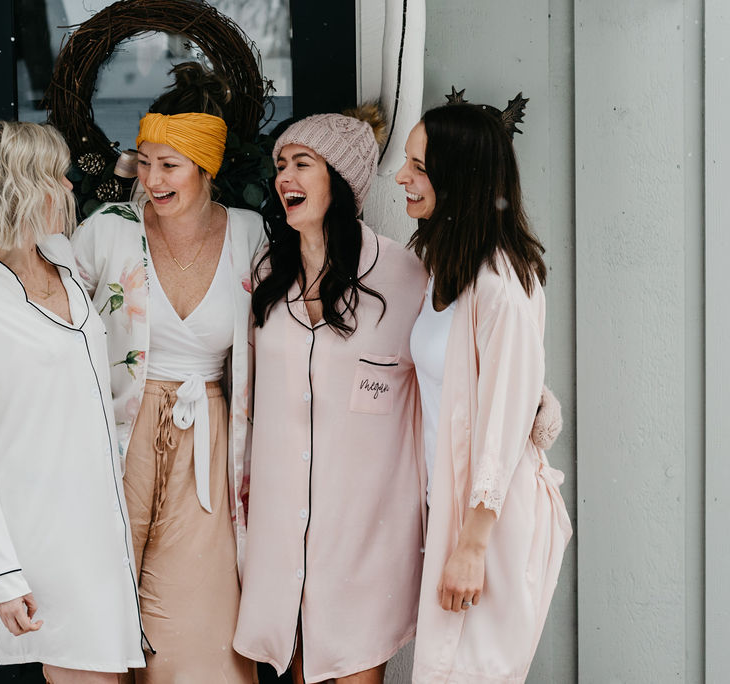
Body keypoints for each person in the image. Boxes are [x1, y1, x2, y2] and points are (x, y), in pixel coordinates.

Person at [0, 121, 146, 684]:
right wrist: (1, 577)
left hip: (111, 521)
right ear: (18, 189)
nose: (70, 187)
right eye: (54, 177)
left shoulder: (64, 260)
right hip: (49, 541)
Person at [70, 64, 262, 683]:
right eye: (145, 162)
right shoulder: (106, 233)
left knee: (196, 634)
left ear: (205, 167)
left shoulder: (251, 237)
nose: (152, 180)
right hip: (116, 440)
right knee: (98, 624)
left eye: (170, 165)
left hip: (205, 444)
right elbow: (50, 307)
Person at [233, 110, 428, 684]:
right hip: (282, 526)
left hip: (366, 528)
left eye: (302, 163)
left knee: (352, 667)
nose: (285, 177)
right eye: (280, 165)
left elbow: (454, 374)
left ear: (339, 179)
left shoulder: (404, 277)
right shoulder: (269, 273)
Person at [395, 102, 571, 682]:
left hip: (489, 525)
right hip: (449, 512)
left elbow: (502, 420)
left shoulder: (502, 289)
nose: (402, 177)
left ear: (459, 175)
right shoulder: (445, 267)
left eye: (419, 166)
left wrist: (472, 544)